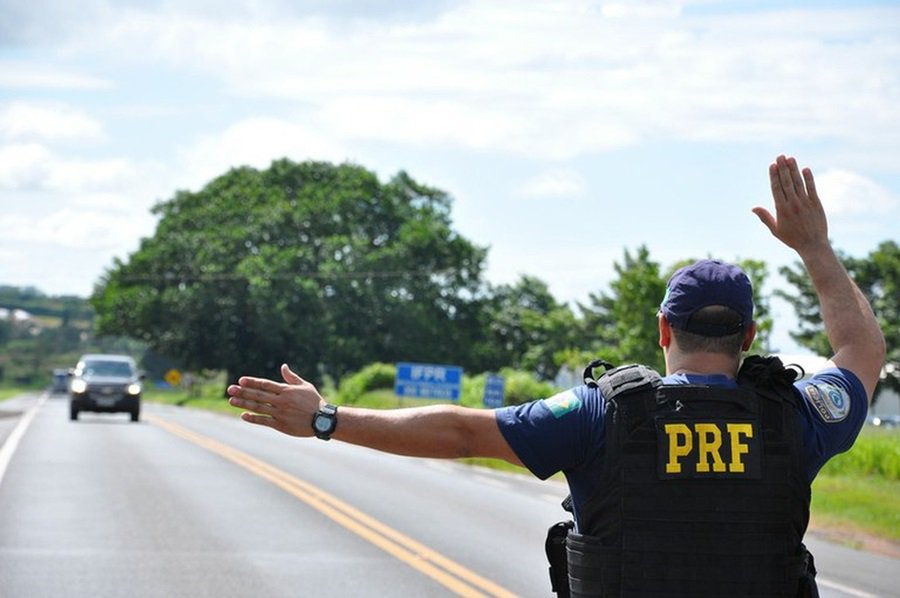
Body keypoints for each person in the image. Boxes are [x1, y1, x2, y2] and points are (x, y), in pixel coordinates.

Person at [227, 155, 885, 597]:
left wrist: (325, 418)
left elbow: (459, 433)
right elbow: (860, 349)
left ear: (663, 330)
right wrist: (815, 248)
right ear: (747, 337)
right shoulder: (797, 416)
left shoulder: (600, 414)